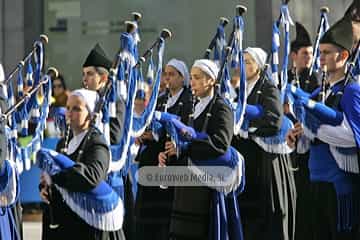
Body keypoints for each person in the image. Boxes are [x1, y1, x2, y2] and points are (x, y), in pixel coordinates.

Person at [287, 15, 360, 239]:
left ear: (345, 55)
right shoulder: (318, 93)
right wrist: (297, 136)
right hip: (314, 182)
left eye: (327, 52)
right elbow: (307, 142)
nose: (321, 58)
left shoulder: (352, 91)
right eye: (320, 52)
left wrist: (314, 128)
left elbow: (352, 137)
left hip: (340, 188)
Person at [160, 59, 234, 240]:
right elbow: (183, 140)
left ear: (210, 80)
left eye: (197, 78)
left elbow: (220, 144)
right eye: (191, 77)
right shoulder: (193, 105)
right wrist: (168, 154)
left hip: (208, 185)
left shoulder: (221, 107)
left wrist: (184, 148)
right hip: (187, 184)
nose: (191, 82)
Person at [39, 88, 125, 239]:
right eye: (68, 108)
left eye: (76, 109)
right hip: (65, 220)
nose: (69, 113)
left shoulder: (97, 142)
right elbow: (55, 174)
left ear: (91, 114)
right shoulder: (62, 142)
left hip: (89, 224)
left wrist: (57, 177)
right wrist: (46, 188)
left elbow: (92, 176)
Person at [232, 47, 296, 240]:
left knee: (268, 212)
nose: (244, 66)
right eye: (242, 61)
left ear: (258, 66)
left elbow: (274, 120)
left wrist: (249, 131)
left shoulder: (267, 87)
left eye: (248, 62)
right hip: (247, 158)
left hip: (265, 159)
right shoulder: (240, 90)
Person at [135, 58, 193, 240]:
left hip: (175, 155)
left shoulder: (189, 100)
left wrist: (160, 134)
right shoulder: (159, 99)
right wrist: (144, 135)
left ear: (182, 78)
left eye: (172, 74)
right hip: (154, 156)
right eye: (166, 74)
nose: (168, 78)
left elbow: (186, 128)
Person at [288, 21, 320, 240]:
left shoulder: (314, 79)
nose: (308, 57)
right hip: (288, 142)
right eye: (304, 53)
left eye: (311, 53)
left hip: (308, 143)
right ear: (293, 55)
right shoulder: (285, 77)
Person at [82, 43, 125, 145]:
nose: (84, 79)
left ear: (103, 78)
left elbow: (114, 137)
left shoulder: (114, 101)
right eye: (83, 74)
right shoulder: (82, 98)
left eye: (89, 74)